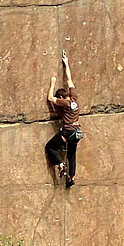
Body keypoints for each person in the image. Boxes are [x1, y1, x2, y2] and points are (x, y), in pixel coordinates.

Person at [45, 50, 82, 189]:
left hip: (68, 132)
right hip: (77, 132)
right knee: (72, 154)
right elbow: (69, 80)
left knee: (50, 147)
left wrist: (52, 83)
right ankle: (71, 177)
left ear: (60, 97)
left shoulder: (63, 103)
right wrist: (66, 63)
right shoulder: (74, 99)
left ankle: (60, 164)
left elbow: (50, 98)